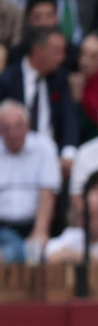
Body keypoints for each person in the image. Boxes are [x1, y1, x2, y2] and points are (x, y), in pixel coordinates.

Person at [0, 26, 77, 162]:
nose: (62, 58)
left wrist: (68, 152)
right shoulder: (8, 80)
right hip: (12, 154)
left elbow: (68, 117)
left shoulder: (59, 79)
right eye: (57, 51)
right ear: (38, 50)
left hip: (51, 156)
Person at [0, 99, 59, 262]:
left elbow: (48, 193)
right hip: (3, 227)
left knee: (35, 252)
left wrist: (40, 230)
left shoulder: (45, 147)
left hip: (35, 224)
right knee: (14, 248)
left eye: (17, 126)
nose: (13, 133)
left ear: (27, 126)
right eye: (6, 128)